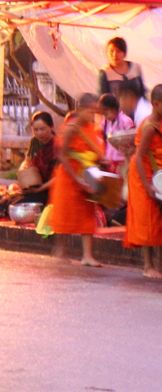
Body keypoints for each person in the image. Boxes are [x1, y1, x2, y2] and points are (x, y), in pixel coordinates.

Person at [125, 85, 162, 279]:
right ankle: (148, 266)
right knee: (147, 219)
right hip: (145, 173)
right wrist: (147, 185)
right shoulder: (149, 127)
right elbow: (139, 157)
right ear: (155, 104)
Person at [48, 96, 105, 266]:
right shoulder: (71, 129)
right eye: (91, 111)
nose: (93, 116)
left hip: (87, 175)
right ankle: (60, 251)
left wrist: (100, 162)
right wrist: (76, 178)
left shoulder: (91, 129)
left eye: (96, 112)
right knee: (65, 215)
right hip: (69, 176)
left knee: (87, 215)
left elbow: (93, 151)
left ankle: (87, 255)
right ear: (80, 110)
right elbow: (62, 156)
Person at [19, 111, 58, 206]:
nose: (39, 133)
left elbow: (60, 176)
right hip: (35, 184)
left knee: (21, 203)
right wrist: (24, 172)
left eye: (43, 129)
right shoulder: (35, 141)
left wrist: (40, 189)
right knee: (9, 200)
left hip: (52, 188)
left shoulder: (58, 145)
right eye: (35, 130)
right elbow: (27, 161)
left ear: (51, 127)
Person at [99, 93, 134, 175]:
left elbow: (132, 142)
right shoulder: (105, 122)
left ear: (113, 110)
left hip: (124, 163)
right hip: (110, 163)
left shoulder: (125, 121)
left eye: (106, 114)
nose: (105, 117)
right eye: (103, 114)